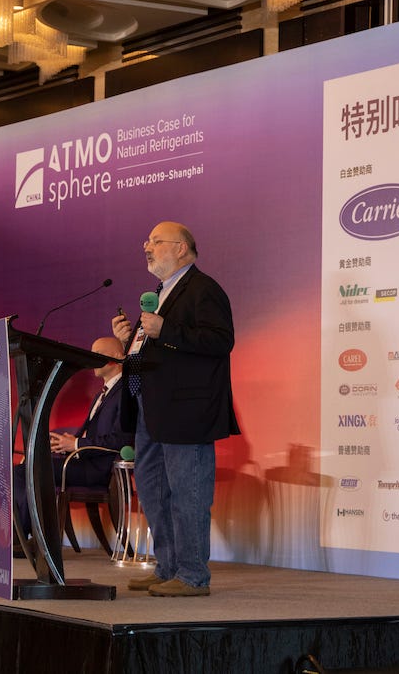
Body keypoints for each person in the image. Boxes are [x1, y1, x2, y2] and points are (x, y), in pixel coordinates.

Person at [111, 221, 239, 597]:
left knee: (188, 494)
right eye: (147, 241)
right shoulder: (160, 293)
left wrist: (164, 330)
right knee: (154, 493)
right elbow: (159, 348)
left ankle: (192, 575)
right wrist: (130, 341)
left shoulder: (203, 288)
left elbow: (220, 341)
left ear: (181, 248)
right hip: (151, 409)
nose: (146, 247)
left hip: (186, 412)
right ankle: (167, 567)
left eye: (156, 241)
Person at [13, 337, 133, 553]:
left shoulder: (126, 391)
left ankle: (26, 539)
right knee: (25, 469)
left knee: (31, 470)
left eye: (97, 353)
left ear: (117, 357)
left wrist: (76, 444)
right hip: (82, 460)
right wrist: (65, 444)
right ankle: (23, 537)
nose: (91, 358)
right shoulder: (102, 393)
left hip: (100, 467)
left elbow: (121, 440)